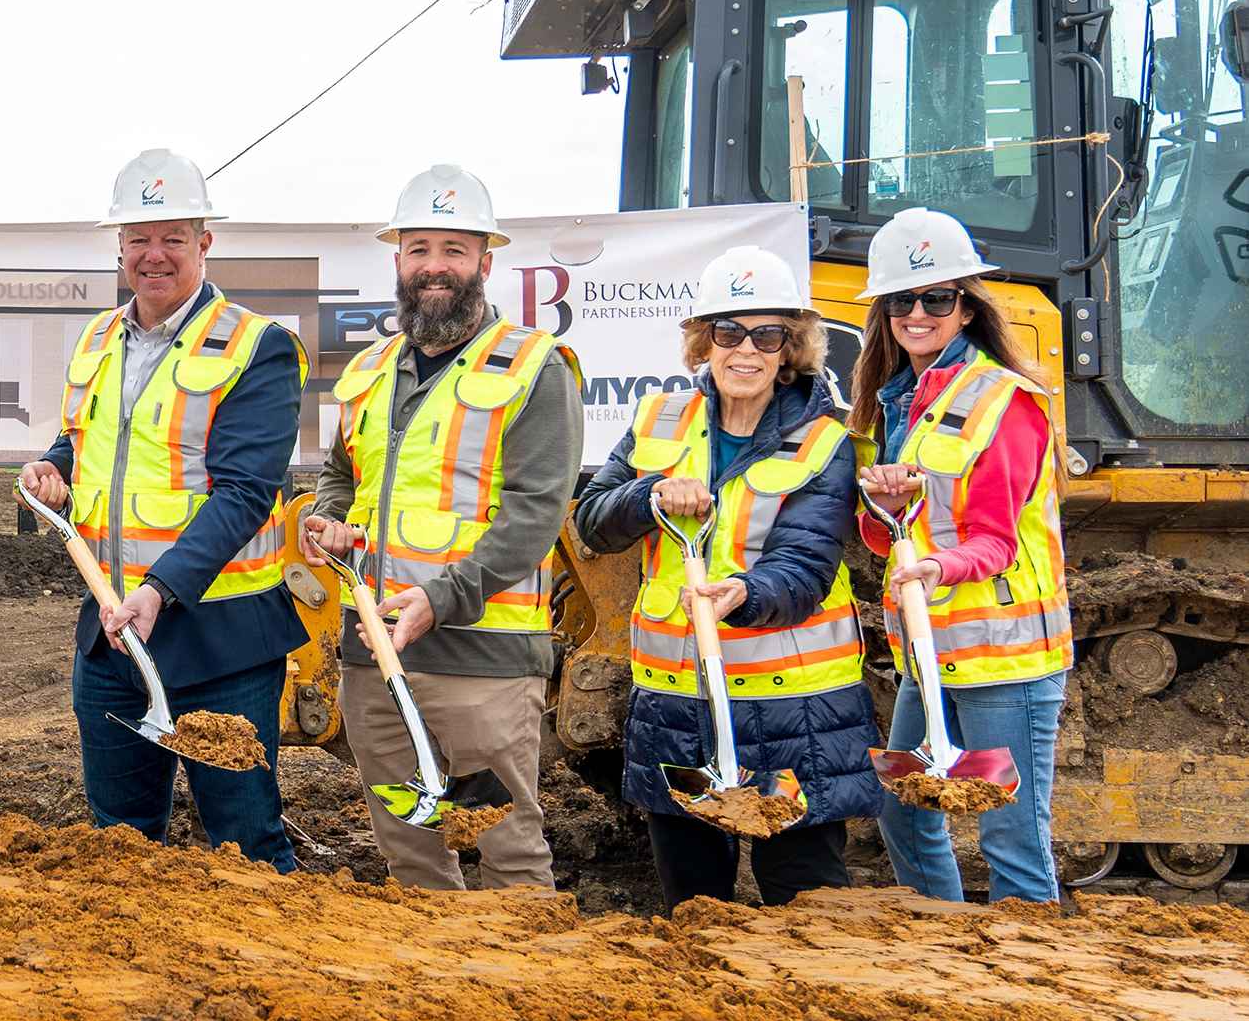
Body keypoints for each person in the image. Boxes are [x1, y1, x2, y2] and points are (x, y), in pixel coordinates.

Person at [21, 149, 306, 871]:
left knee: (245, 846)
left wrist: (159, 588)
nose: (154, 255)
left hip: (222, 644)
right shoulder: (95, 340)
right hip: (111, 638)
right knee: (119, 842)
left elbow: (245, 491)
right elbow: (77, 440)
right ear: (118, 247)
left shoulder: (256, 346)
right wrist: (53, 470)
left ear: (204, 244)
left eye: (173, 237)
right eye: (139, 238)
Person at [571, 246, 877, 910]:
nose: (746, 350)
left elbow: (807, 565)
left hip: (796, 714)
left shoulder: (823, 441)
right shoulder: (658, 421)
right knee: (693, 908)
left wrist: (743, 592)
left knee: (810, 909)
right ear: (702, 342)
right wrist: (650, 495)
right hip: (680, 711)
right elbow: (592, 522)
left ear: (788, 347)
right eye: (728, 331)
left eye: (766, 335)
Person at [303, 166, 583, 890]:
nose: (435, 265)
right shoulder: (367, 371)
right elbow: (341, 474)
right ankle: (435, 1000)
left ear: (485, 262)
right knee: (412, 853)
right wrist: (329, 518)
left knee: (508, 851)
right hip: (375, 657)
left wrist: (442, 597)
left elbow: (537, 510)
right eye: (419, 247)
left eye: (454, 249)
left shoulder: (533, 367)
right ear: (398, 260)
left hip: (481, 662)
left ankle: (522, 996)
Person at [850, 208, 1070, 904]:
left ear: (967, 308)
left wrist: (937, 567)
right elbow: (895, 531)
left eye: (936, 298)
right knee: (903, 809)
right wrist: (881, 505)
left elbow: (996, 541)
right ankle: (946, 952)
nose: (917, 313)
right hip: (933, 648)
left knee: (1010, 836)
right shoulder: (899, 402)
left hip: (1006, 656)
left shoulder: (1005, 401)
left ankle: (1031, 988)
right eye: (902, 301)